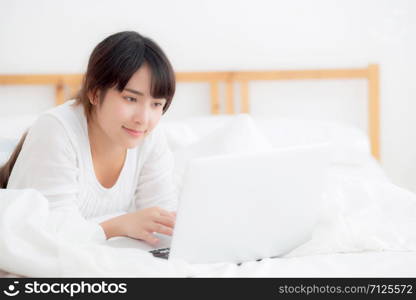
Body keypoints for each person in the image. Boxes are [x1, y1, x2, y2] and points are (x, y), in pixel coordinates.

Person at [0, 31, 177, 246]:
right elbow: (47, 237)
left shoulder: (149, 135)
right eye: (131, 99)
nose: (143, 118)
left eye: (156, 104)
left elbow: (164, 219)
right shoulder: (56, 129)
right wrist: (119, 225)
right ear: (94, 93)